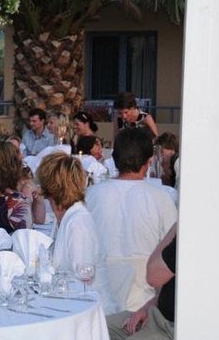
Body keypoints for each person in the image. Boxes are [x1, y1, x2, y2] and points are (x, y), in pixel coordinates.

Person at [107, 159, 219, 339]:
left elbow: (153, 276)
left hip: (179, 331)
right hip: (161, 318)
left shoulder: (201, 233)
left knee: (92, 331)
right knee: (97, 326)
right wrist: (148, 307)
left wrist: (183, 221)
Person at [85, 128, 177, 307]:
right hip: (145, 303)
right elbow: (174, 256)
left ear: (114, 159)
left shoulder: (91, 195)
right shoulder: (162, 198)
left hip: (97, 300)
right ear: (149, 161)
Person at [36, 152, 115, 314]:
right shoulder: (65, 217)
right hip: (68, 305)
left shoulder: (78, 223)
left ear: (49, 187)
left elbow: (83, 281)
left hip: (89, 313)